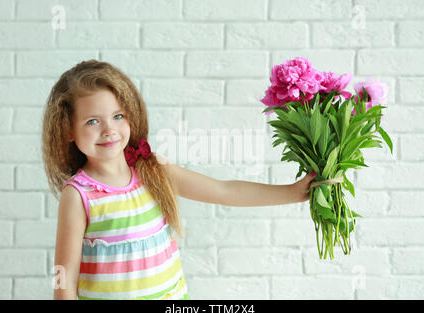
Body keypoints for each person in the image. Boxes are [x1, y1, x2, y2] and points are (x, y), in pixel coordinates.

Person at [42, 59, 317, 300]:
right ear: (68, 129)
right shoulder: (78, 195)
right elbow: (63, 278)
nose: (109, 130)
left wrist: (292, 192)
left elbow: (224, 191)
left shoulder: (153, 171)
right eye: (92, 121)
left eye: (117, 116)